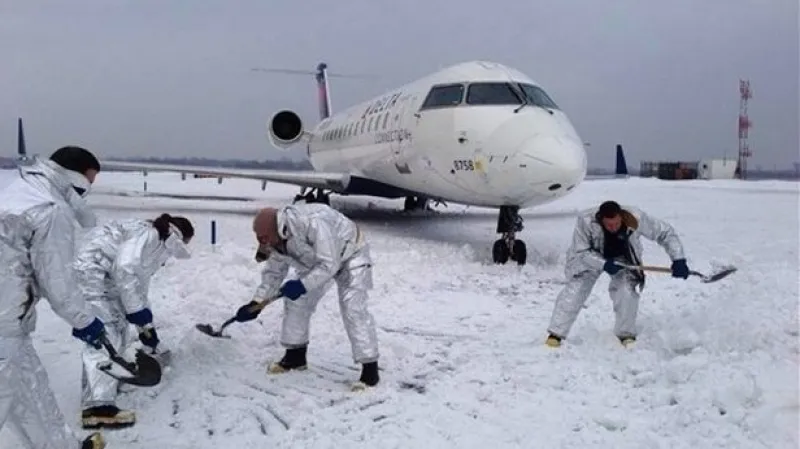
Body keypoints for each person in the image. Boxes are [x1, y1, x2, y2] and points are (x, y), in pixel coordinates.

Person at [0, 147, 107, 449]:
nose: (88, 192)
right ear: (73, 175)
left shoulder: (22, 190)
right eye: (89, 182)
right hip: (2, 323)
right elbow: (57, 280)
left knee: (31, 394)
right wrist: (85, 321)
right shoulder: (50, 208)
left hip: (10, 325)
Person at [235, 203, 380, 390]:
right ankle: (295, 357)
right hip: (317, 262)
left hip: (351, 254)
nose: (265, 244)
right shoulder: (275, 240)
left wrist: (302, 285)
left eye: (265, 239)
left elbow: (330, 264)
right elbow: (273, 274)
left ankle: (370, 371)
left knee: (353, 308)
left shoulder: (313, 223)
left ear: (277, 229)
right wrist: (257, 302)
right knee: (297, 302)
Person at [73, 213, 194, 429]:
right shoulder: (150, 236)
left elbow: (138, 286)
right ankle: (97, 407)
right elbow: (124, 269)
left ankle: (104, 385)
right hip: (93, 274)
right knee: (104, 334)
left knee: (117, 329)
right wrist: (136, 311)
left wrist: (145, 326)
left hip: (104, 276)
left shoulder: (155, 240)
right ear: (178, 237)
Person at [545, 200, 689, 348]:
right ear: (601, 220)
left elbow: (665, 232)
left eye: (616, 224)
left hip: (623, 259)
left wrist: (678, 259)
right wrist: (603, 264)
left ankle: (626, 334)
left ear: (621, 217)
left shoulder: (635, 217)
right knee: (574, 292)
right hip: (590, 258)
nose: (613, 228)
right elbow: (581, 252)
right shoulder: (586, 220)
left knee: (626, 292)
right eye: (608, 225)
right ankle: (556, 334)